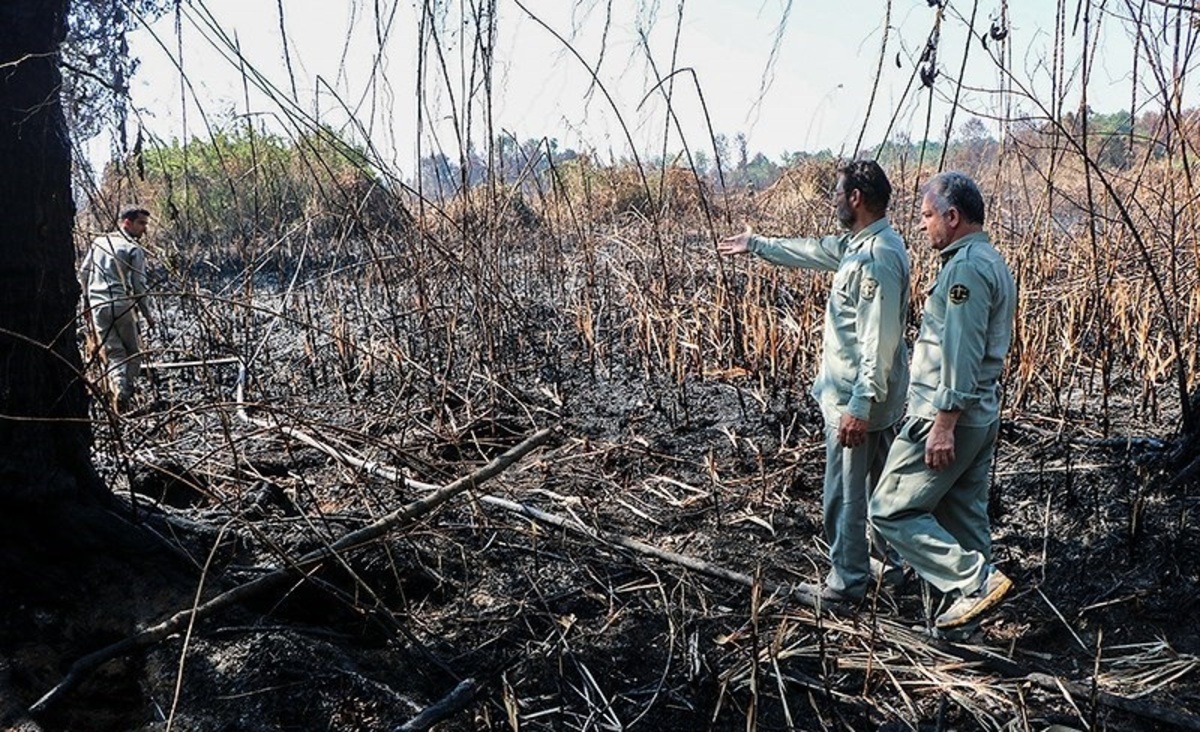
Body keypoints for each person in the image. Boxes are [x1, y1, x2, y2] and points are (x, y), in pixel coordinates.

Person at [717, 160, 910, 602]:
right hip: (876, 401)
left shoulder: (876, 258)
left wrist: (858, 406)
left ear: (856, 198)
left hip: (857, 403)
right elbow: (814, 249)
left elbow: (877, 342)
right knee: (880, 490)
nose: (834, 200)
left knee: (843, 498)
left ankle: (846, 584)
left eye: (838, 194)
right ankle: (885, 568)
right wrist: (757, 244)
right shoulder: (865, 245)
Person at [869, 171, 1017, 630]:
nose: (921, 225)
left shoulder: (966, 269)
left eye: (928, 215)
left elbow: (960, 350)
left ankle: (974, 582)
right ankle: (967, 628)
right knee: (963, 517)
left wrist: (943, 423)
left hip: (947, 413)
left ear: (952, 217)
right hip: (978, 414)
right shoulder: (988, 260)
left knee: (890, 509)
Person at [80, 206, 156, 412]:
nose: (144, 229)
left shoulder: (98, 243)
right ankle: (124, 392)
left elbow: (84, 273)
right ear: (127, 223)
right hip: (122, 305)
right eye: (141, 223)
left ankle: (118, 392)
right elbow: (139, 286)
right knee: (133, 353)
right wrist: (148, 315)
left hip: (98, 306)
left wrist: (86, 302)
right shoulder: (133, 249)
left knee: (114, 353)